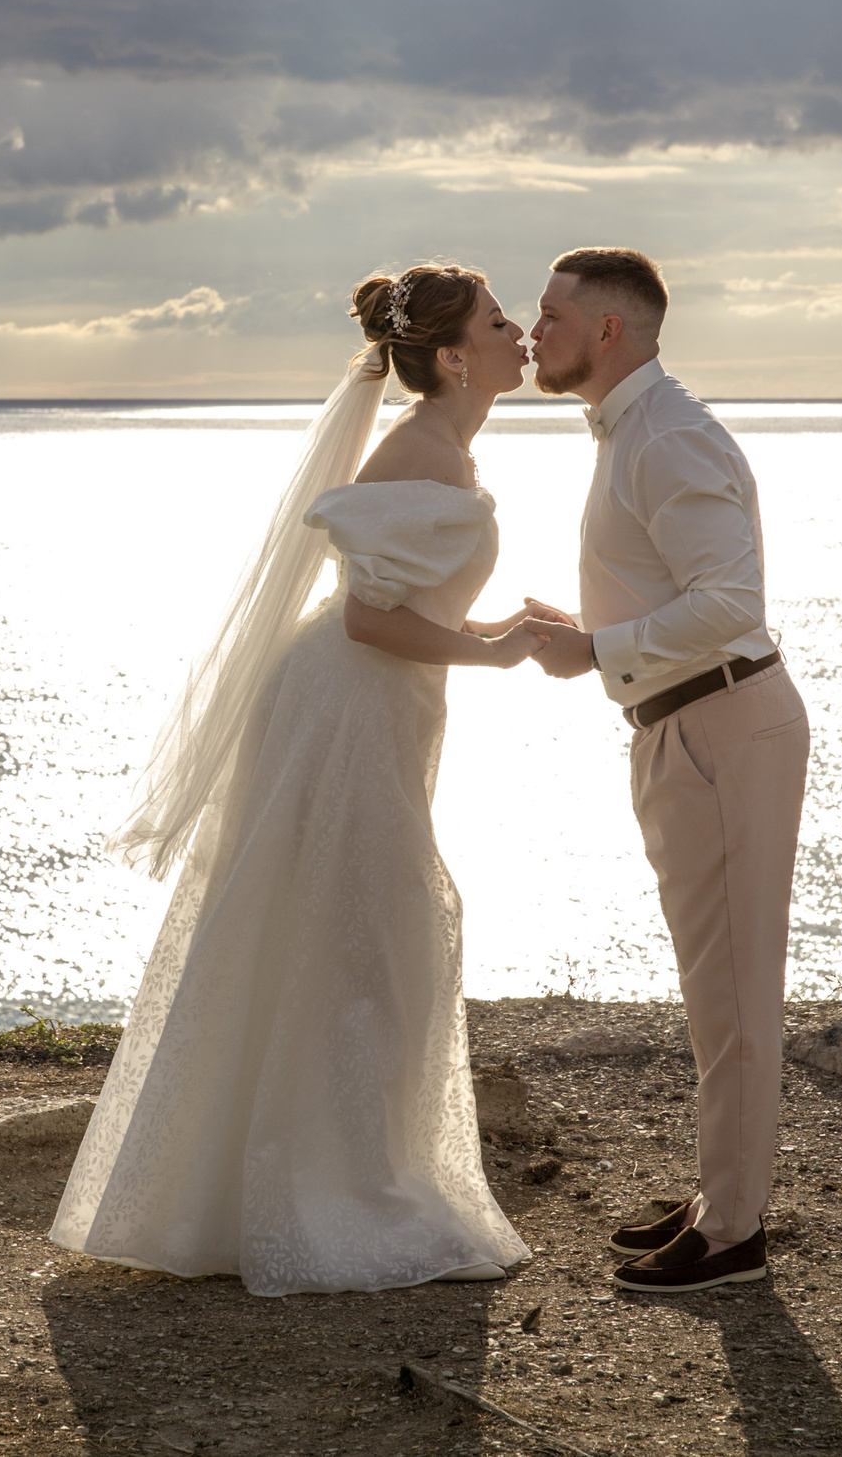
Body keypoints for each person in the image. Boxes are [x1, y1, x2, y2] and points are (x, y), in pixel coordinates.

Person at [50, 263, 546, 1296]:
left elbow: (398, 608)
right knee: (369, 929)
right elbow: (373, 619)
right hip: (349, 706)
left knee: (345, 924)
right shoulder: (425, 452)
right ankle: (331, 1200)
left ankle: (299, 1183)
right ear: (453, 356)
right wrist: (496, 650)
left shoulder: (443, 445)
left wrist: (491, 633)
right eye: (501, 323)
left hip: (370, 701)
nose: (522, 335)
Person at [521, 246, 811, 1294]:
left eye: (549, 314)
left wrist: (596, 649)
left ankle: (733, 1233)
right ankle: (718, 1194)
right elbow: (676, 591)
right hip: (685, 725)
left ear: (608, 331)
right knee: (713, 988)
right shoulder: (634, 430)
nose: (532, 331)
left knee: (734, 991)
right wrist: (593, 629)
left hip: (722, 727)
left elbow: (731, 605)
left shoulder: (670, 436)